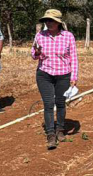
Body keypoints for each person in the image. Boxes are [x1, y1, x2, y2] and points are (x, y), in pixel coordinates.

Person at [31, 9, 79, 150]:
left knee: (60, 102)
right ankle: (51, 134)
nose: (48, 22)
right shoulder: (39, 35)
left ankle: (60, 130)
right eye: (46, 20)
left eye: (51, 20)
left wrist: (74, 77)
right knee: (48, 103)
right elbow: (34, 55)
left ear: (58, 22)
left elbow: (74, 58)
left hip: (63, 74)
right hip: (44, 74)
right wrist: (37, 53)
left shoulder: (68, 36)